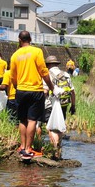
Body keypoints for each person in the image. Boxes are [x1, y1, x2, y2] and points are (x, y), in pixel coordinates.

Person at [9, 30, 55, 159]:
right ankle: (29, 149)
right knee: (32, 120)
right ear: (30, 39)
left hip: (21, 91)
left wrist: (18, 88)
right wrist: (51, 87)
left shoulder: (15, 55)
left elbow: (13, 76)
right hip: (35, 90)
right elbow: (43, 71)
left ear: (19, 40)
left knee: (22, 120)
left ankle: (22, 147)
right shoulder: (37, 52)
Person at [42, 55, 75, 159]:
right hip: (64, 104)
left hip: (50, 104)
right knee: (59, 127)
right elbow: (72, 92)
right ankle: (59, 150)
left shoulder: (47, 74)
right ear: (57, 64)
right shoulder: (66, 74)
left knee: (50, 127)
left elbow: (45, 92)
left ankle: (55, 149)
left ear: (48, 65)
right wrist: (73, 106)